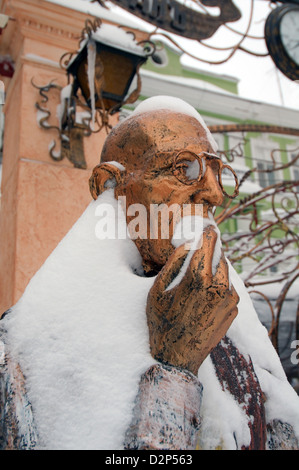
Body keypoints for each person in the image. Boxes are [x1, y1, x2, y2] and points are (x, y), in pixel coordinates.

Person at [1, 96, 298, 450]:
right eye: (183, 168)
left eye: (218, 173)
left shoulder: (229, 316)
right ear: (110, 185)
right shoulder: (22, 351)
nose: (215, 195)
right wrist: (174, 368)